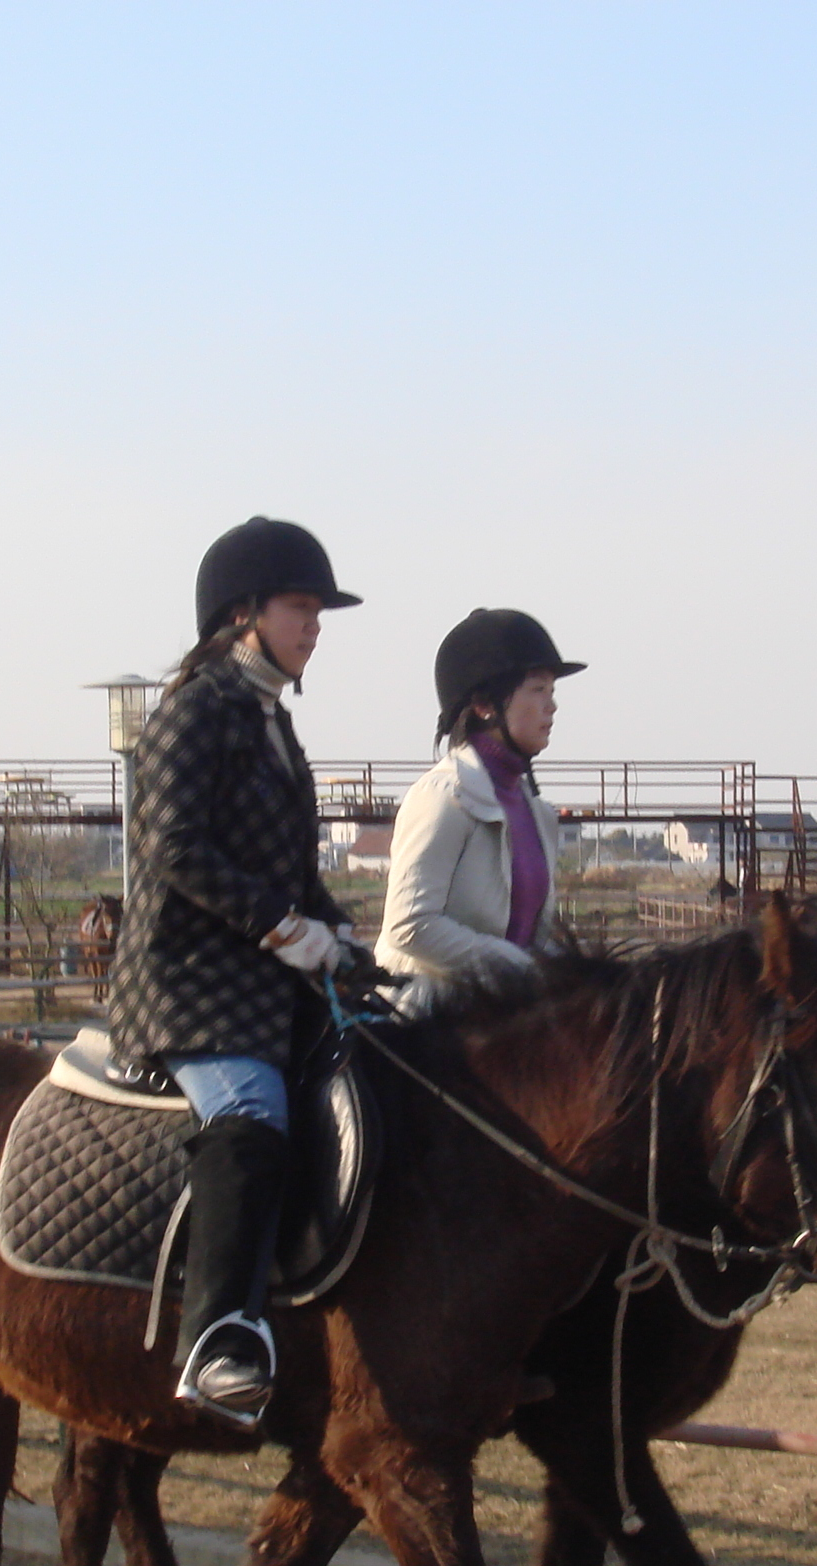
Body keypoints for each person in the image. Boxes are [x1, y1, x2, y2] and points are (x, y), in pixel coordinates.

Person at [106, 519, 361, 1430]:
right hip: (188, 985)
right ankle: (217, 1339)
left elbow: (294, 870)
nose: (317, 625)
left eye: (319, 611)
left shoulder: (272, 721)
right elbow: (171, 846)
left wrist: (340, 936)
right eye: (303, 608)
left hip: (264, 981)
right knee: (255, 1110)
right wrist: (285, 927)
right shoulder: (196, 709)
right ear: (245, 613)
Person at [377, 609, 581, 1007]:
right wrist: (518, 965)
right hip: (424, 1023)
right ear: (485, 704)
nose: (552, 706)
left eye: (552, 692)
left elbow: (529, 940)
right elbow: (408, 925)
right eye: (538, 689)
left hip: (500, 1020)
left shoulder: (537, 812)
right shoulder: (443, 794)